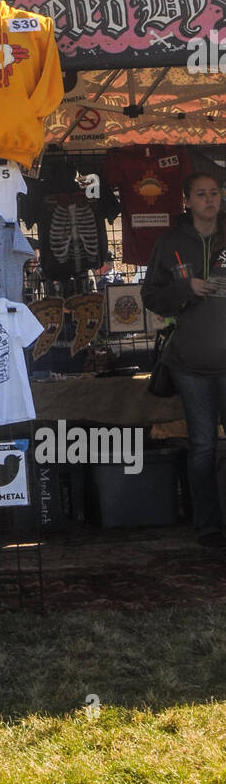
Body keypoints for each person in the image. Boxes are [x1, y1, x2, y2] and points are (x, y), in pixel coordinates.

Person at [142, 173, 226, 547]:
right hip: (190, 362)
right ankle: (207, 528)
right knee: (204, 445)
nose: (210, 200)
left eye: (215, 194)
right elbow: (150, 296)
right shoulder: (170, 242)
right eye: (202, 194)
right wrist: (184, 288)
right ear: (187, 200)